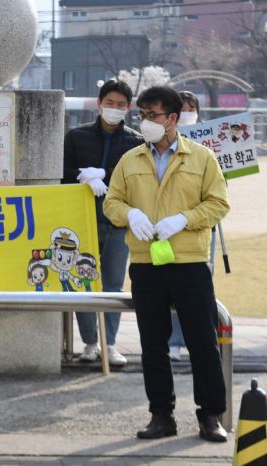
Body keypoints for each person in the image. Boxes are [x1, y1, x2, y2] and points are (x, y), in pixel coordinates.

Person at [104, 86, 229, 442]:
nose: (145, 122)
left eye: (153, 115)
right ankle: (161, 415)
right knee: (153, 344)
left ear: (173, 119)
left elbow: (219, 204)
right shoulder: (130, 160)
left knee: (203, 342)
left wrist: (185, 219)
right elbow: (111, 203)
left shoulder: (202, 158)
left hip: (189, 261)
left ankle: (210, 416)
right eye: (141, 115)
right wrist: (129, 213)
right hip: (145, 262)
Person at [62, 79, 144, 366]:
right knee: (83, 282)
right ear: (99, 104)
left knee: (112, 284)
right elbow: (62, 174)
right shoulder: (76, 136)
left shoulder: (136, 141)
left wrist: (105, 174)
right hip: (81, 223)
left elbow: (137, 180)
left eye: (120, 105)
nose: (114, 109)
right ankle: (89, 343)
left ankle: (109, 343)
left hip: (118, 223)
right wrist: (83, 175)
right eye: (109, 103)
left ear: (129, 108)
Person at [168, 90, 201, 361]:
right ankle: (174, 341)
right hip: (166, 227)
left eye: (192, 108)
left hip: (199, 229)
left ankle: (195, 339)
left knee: (197, 291)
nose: (188, 113)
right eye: (183, 108)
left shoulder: (208, 144)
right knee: (171, 289)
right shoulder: (164, 143)